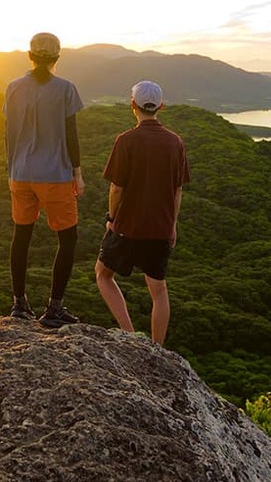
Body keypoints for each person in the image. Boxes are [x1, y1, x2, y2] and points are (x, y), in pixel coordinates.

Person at [95, 80, 190, 345]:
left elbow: (116, 188)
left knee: (103, 274)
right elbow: (177, 191)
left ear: (133, 105)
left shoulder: (126, 141)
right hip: (161, 227)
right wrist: (172, 225)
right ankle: (157, 347)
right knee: (159, 290)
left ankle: (129, 335)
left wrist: (111, 219)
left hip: (127, 226)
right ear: (161, 106)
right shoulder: (175, 142)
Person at [3, 32, 85, 328]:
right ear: (56, 58)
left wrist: (11, 170)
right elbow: (71, 135)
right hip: (55, 175)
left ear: (30, 56)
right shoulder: (65, 89)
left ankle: (19, 304)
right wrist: (77, 173)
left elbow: (9, 134)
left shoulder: (13, 88)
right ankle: (54, 308)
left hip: (20, 173)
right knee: (68, 239)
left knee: (21, 235)